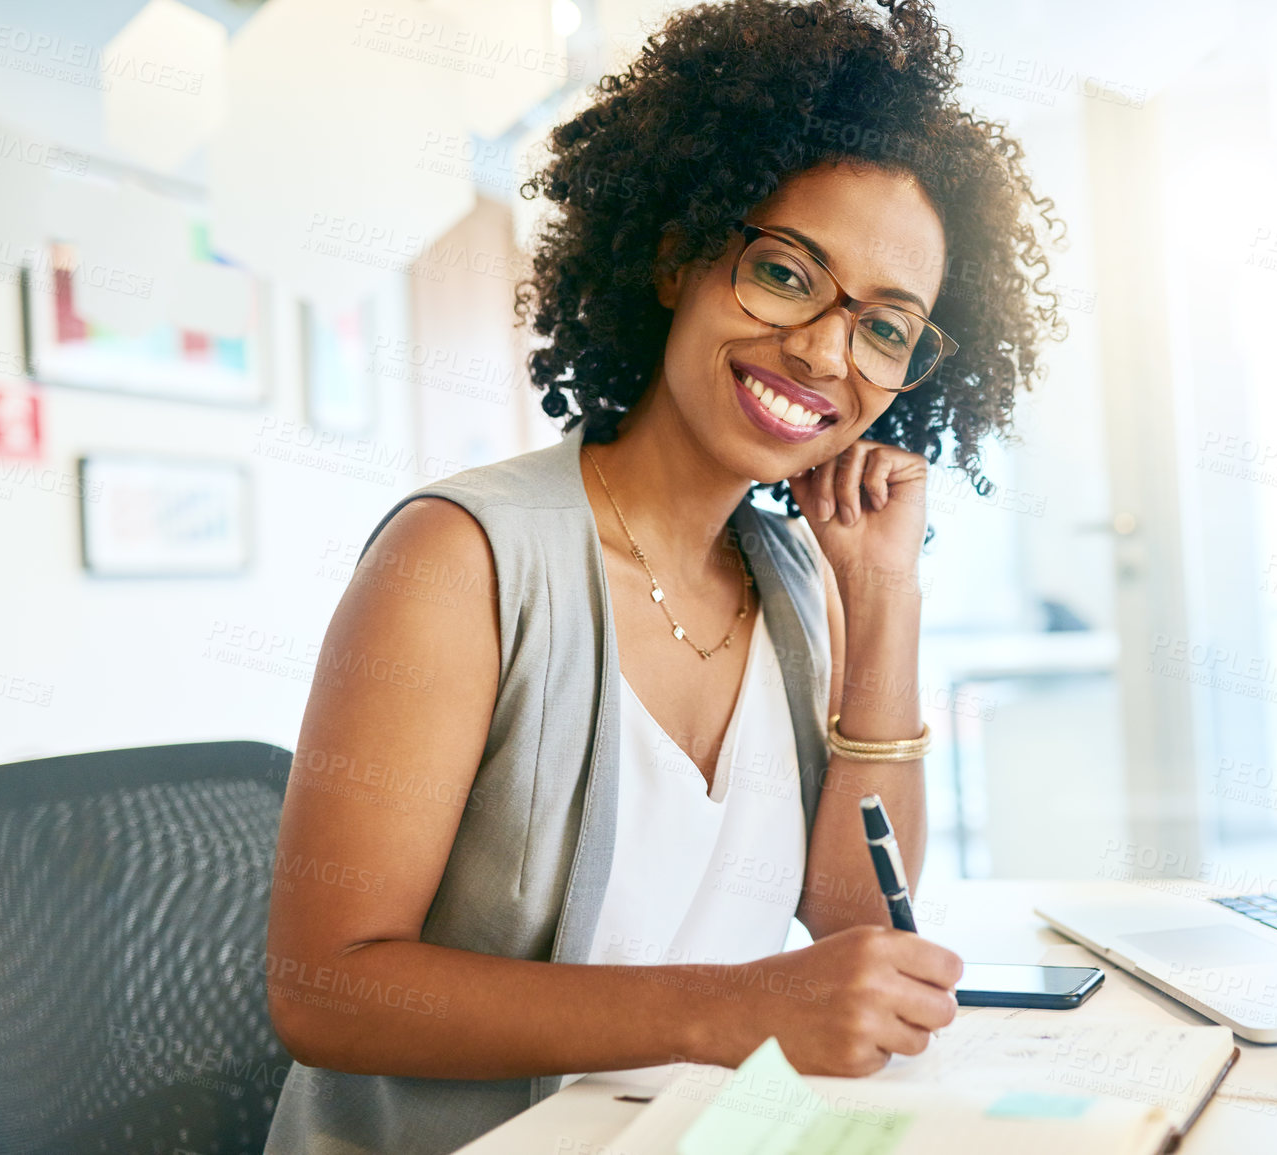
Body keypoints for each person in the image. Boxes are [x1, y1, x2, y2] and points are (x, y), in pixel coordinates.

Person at [262, 0, 1062, 1150]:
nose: (827, 352)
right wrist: (731, 1009)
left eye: (887, 330)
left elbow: (848, 916)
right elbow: (326, 989)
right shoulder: (459, 558)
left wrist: (881, 599)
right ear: (678, 251)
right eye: (787, 273)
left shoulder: (788, 577)